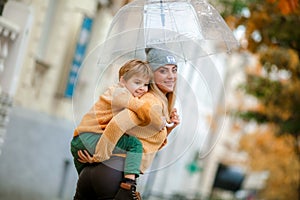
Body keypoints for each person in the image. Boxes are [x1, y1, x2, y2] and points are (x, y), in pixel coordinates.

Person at [73, 48, 180, 200]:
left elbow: (148, 142)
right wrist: (99, 156)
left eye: (174, 70)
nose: (171, 76)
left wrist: (169, 126)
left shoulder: (152, 102)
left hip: (97, 173)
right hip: (115, 175)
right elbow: (118, 123)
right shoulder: (150, 101)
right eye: (163, 71)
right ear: (151, 74)